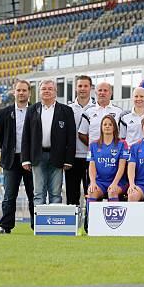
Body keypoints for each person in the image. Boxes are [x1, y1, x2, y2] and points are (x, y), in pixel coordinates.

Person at [21, 79, 76, 206]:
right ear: (39, 92)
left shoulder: (66, 111)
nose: (47, 91)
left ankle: (54, 224)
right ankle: (40, 226)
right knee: (38, 193)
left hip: (58, 157)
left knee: (55, 194)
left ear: (55, 92)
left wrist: (68, 160)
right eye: (44, 89)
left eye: (50, 89)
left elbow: (71, 137)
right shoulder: (32, 110)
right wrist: (25, 159)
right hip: (37, 157)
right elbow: (26, 136)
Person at [0, 80, 35, 234]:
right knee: (9, 195)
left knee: (33, 195)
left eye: (24, 90)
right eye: (18, 90)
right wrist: (8, 150)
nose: (21, 93)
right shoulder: (4, 113)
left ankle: (36, 226)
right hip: (11, 160)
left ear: (29, 92)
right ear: (14, 92)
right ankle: (5, 226)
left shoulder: (36, 111)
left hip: (31, 160)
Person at [66, 75, 94, 207]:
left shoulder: (96, 108)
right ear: (76, 88)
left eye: (85, 86)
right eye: (80, 86)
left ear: (90, 88)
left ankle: (90, 226)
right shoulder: (68, 109)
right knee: (72, 196)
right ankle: (73, 227)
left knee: (92, 194)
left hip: (91, 158)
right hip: (73, 158)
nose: (83, 89)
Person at [86, 115, 129, 203]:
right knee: (91, 192)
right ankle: (90, 217)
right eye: (105, 124)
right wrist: (93, 183)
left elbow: (122, 167)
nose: (107, 126)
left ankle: (115, 217)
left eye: (110, 124)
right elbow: (92, 167)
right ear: (101, 127)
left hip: (118, 181)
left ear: (114, 128)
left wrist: (114, 183)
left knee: (112, 192)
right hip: (100, 182)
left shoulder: (122, 144)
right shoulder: (93, 145)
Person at [78, 82, 124, 146]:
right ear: (96, 93)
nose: (102, 93)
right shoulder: (88, 111)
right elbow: (81, 134)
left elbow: (123, 134)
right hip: (95, 154)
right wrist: (94, 146)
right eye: (100, 90)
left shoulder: (119, 112)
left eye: (105, 90)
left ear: (110, 93)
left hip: (113, 153)